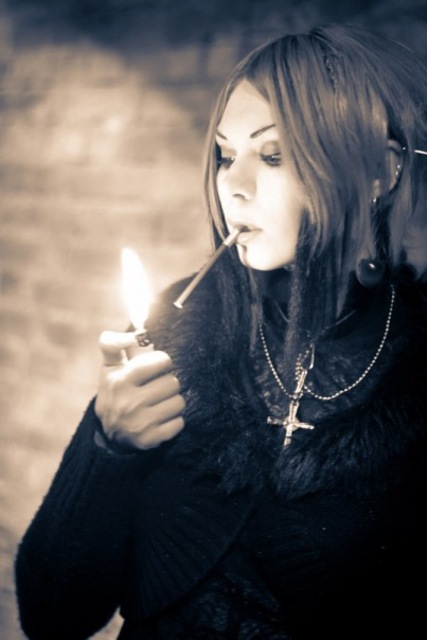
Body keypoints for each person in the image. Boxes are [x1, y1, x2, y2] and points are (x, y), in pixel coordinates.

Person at [15, 22, 427, 640]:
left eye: (274, 155)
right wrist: (108, 447)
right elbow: (51, 616)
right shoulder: (175, 324)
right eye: (225, 155)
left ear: (380, 172)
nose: (233, 185)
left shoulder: (415, 367)